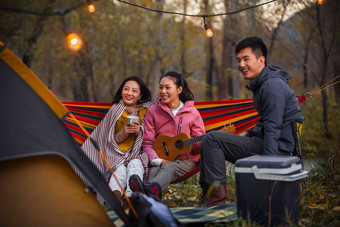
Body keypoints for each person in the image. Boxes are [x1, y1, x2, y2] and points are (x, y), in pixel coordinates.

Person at [199, 37, 304, 206]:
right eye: (238, 60)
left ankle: (216, 200)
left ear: (261, 60)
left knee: (212, 139)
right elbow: (266, 121)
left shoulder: (271, 86)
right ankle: (208, 196)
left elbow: (273, 128)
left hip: (278, 151)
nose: (241, 65)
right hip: (268, 143)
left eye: (246, 59)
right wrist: (248, 133)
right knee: (209, 139)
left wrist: (269, 167)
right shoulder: (263, 83)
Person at [130, 71, 205, 200]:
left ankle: (141, 195)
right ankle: (149, 198)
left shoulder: (192, 113)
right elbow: (147, 142)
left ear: (179, 89)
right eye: (161, 87)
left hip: (186, 160)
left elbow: (198, 147)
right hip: (160, 158)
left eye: (167, 87)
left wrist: (202, 141)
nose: (163, 91)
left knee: (168, 168)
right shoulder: (153, 111)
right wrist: (157, 161)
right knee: (152, 173)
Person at [81, 76, 152, 209]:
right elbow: (109, 139)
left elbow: (152, 135)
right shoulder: (116, 109)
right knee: (119, 170)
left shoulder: (148, 110)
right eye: (126, 89)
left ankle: (130, 199)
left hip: (136, 153)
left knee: (135, 165)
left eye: (134, 91)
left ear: (140, 95)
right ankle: (115, 198)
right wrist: (125, 132)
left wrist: (139, 131)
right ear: (121, 91)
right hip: (116, 154)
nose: (129, 93)